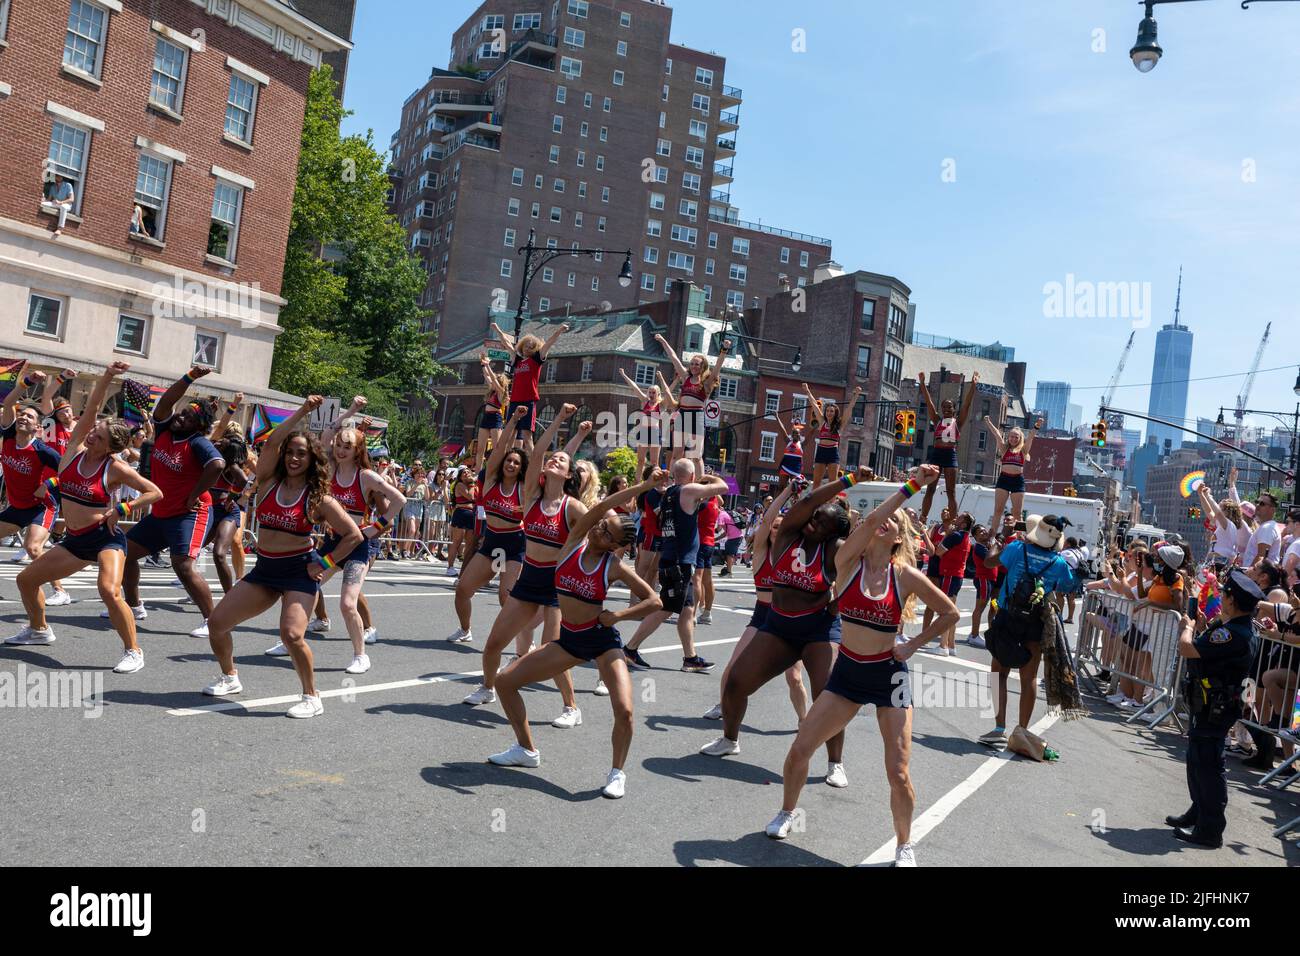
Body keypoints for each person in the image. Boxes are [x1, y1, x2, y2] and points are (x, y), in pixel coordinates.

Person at [765, 465, 958, 862]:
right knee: (801, 748)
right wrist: (913, 486)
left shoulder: (904, 576)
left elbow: (950, 613)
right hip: (849, 672)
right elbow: (870, 517)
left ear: (898, 537)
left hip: (890, 677)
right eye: (878, 521)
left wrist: (914, 645)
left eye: (892, 523)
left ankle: (904, 845)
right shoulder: (847, 563)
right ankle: (786, 812)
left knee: (898, 770)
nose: (881, 523)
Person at [487, 473, 665, 799]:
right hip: (569, 641)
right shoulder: (574, 542)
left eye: (606, 532)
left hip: (601, 640)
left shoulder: (613, 566)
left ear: (614, 545)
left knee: (624, 710)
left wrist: (619, 615)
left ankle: (617, 773)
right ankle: (526, 750)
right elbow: (605, 507)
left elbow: (654, 600)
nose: (598, 528)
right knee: (505, 682)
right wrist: (644, 487)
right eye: (600, 526)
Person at [700, 469, 869, 787]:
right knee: (736, 683)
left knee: (828, 694)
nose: (812, 521)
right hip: (779, 626)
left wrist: (833, 607)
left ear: (832, 534)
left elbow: (853, 583)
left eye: (820, 523)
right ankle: (730, 740)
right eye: (814, 516)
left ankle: (835, 763)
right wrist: (848, 481)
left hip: (818, 631)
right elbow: (807, 500)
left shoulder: (833, 550)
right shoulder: (791, 533)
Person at [201, 397, 363, 717]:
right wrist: (302, 412)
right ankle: (230, 676)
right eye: (290, 452)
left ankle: (311, 697)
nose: (293, 458)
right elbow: (273, 440)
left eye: (301, 453)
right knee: (217, 624)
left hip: (298, 572)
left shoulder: (319, 498)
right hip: (265, 569)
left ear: (311, 459)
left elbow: (354, 535)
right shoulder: (268, 482)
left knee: (291, 635)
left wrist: (326, 563)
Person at [7, 362, 162, 674]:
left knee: (108, 590)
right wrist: (107, 376)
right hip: (76, 541)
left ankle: (133, 650)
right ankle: (39, 630)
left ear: (110, 447)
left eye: (99, 437)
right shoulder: (74, 451)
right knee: (26, 580)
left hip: (105, 538)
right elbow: (91, 409)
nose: (92, 435)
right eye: (93, 432)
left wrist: (120, 510)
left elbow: (154, 492)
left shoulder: (115, 468)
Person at [463, 404, 591, 723]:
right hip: (528, 581)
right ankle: (488, 686)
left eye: (560, 460)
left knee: (553, 650)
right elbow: (537, 455)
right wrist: (561, 419)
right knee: (493, 644)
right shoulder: (531, 495)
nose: (553, 459)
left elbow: (596, 535)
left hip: (556, 587)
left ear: (568, 474)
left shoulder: (573, 507)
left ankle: (571, 707)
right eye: (552, 459)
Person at [267, 419, 405, 674]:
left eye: (347, 447)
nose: (341, 450)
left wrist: (377, 527)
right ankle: (290, 640)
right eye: (339, 445)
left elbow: (399, 499)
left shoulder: (366, 476)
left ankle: (360, 655)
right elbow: (324, 436)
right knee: (303, 586)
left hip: (358, 547)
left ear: (357, 451)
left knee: (347, 603)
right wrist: (350, 412)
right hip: (332, 544)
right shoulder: (329, 470)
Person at [120, 366, 226, 638]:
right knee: (125, 554)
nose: (181, 416)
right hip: (162, 513)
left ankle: (212, 622)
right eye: (183, 411)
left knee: (183, 565)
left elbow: (217, 464)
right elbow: (167, 401)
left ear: (198, 425)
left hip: (190, 514)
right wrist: (189, 377)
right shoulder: (166, 428)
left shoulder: (198, 443)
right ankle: (134, 606)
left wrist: (193, 495)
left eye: (189, 416)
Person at [1165, 568, 1263, 848]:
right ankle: (1199, 812)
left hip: (1215, 706)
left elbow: (1188, 649)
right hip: (1209, 703)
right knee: (1197, 760)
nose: (1221, 597)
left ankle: (1210, 829)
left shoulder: (1234, 633)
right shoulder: (1234, 629)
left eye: (1224, 594)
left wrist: (1187, 629)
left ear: (1232, 600)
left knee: (1207, 765)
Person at [703, 483, 808, 723]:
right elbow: (767, 520)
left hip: (787, 618)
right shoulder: (761, 551)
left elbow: (802, 521)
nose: (775, 531)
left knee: (794, 677)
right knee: (733, 666)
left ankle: (804, 719)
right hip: (762, 616)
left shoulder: (794, 553)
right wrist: (786, 492)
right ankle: (724, 705)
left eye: (782, 528)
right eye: (773, 527)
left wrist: (800, 497)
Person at [978, 514, 1074, 749]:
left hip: (1007, 618)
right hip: (1036, 622)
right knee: (1028, 677)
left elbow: (990, 563)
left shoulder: (1017, 548)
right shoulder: (1059, 563)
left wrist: (993, 547)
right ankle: (1021, 730)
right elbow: (1069, 585)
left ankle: (999, 728)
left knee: (998, 673)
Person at [621, 459, 725, 673]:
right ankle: (629, 649)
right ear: (692, 476)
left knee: (687, 611)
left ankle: (690, 658)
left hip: (675, 558)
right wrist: (708, 478)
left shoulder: (669, 493)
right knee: (666, 608)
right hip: (679, 561)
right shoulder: (688, 490)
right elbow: (724, 487)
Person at [447, 408, 531, 643]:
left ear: (520, 467)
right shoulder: (491, 480)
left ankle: (523, 637)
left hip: (514, 544)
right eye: (509, 460)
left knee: (506, 597)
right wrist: (513, 420)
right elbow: (500, 449)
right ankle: (465, 630)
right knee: (463, 589)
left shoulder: (522, 489)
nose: (511, 464)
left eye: (516, 462)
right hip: (492, 540)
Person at [0, 366, 68, 607]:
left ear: (38, 428)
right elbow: (8, 403)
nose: (23, 417)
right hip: (17, 506)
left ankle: (60, 591)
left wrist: (48, 484)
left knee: (33, 547)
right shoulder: (8, 436)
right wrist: (27, 381)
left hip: (42, 506)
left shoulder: (42, 451)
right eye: (22, 414)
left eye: (30, 416)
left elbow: (68, 473)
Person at [655, 331, 730, 478]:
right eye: (693, 364)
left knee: (695, 455)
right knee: (677, 453)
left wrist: (724, 350)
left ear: (703, 367)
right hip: (682, 415)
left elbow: (718, 367)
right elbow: (674, 358)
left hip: (697, 415)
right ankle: (672, 481)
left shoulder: (706, 382)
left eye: (698, 364)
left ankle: (700, 486)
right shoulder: (685, 377)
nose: (694, 366)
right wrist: (663, 341)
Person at [490, 321, 567, 453]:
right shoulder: (517, 360)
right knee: (509, 435)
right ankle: (504, 461)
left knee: (527, 437)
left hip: (528, 401)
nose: (527, 347)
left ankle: (533, 466)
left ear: (535, 348)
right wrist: (497, 329)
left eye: (531, 346)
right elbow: (507, 344)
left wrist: (559, 331)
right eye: (525, 345)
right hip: (514, 401)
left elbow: (548, 344)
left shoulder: (537, 359)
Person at [916, 370, 977, 523]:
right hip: (937, 455)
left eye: (949, 407)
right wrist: (922, 383)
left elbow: (967, 404)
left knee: (951, 492)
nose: (947, 410)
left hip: (950, 455)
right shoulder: (937, 419)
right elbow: (929, 402)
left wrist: (973, 385)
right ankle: (923, 518)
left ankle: (953, 521)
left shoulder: (958, 422)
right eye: (944, 407)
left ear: (954, 409)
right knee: (930, 489)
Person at [984, 415, 1041, 527]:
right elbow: (997, 435)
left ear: (1020, 439)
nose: (1014, 439)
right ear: (1008, 437)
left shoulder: (1023, 450)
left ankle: (1019, 537)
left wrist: (1037, 426)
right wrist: (988, 422)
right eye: (1012, 436)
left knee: (1017, 513)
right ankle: (992, 535)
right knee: (998, 510)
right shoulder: (1004, 449)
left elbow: (1030, 437)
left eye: (1017, 437)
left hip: (1017, 481)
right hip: (1004, 479)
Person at [930, 511, 973, 655]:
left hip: (949, 574)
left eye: (959, 517)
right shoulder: (966, 537)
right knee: (952, 610)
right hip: (957, 575)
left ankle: (943, 646)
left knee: (946, 611)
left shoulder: (955, 535)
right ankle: (951, 645)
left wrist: (947, 535)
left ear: (964, 523)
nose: (956, 518)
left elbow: (938, 552)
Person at [804, 383, 862, 487]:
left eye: (831, 411)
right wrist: (807, 391)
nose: (829, 413)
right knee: (816, 482)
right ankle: (815, 503)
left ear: (835, 413)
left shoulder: (839, 425)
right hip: (821, 452)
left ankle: (831, 503)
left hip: (833, 453)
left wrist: (856, 395)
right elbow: (814, 404)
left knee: (832, 483)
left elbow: (849, 409)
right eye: (827, 411)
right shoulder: (822, 422)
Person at [618, 367, 668, 477]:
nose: (651, 394)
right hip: (644, 431)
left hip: (654, 432)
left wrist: (661, 378)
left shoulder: (661, 405)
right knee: (640, 460)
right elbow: (634, 387)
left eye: (653, 392)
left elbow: (668, 391)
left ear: (658, 394)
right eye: (649, 392)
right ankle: (637, 481)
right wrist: (624, 375)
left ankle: (656, 481)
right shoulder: (645, 401)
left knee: (654, 462)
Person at [474, 353, 510, 471]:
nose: (493, 383)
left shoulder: (500, 391)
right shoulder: (492, 390)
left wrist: (488, 365)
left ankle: (497, 469)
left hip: (496, 418)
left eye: (497, 381)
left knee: (496, 447)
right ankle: (478, 471)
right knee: (480, 448)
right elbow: (487, 376)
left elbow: (493, 379)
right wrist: (483, 364)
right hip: (486, 417)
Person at [968, 524, 998, 649]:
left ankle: (973, 634)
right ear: (975, 536)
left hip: (990, 580)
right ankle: (974, 635)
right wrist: (995, 544)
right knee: (979, 608)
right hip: (983, 580)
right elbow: (990, 559)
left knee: (988, 607)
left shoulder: (985, 546)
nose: (984, 532)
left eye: (985, 530)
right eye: (980, 532)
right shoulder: (979, 547)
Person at [694, 489, 720, 625]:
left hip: (700, 542)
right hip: (710, 543)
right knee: (708, 581)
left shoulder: (702, 504)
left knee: (697, 579)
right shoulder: (715, 500)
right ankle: (707, 613)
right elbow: (720, 498)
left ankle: (691, 614)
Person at [446, 467, 477, 577]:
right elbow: (471, 496)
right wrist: (473, 483)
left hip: (472, 514)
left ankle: (466, 568)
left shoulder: (473, 485)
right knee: (457, 541)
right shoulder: (460, 485)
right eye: (464, 472)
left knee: (469, 543)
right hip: (461, 514)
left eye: (468, 472)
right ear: (460, 476)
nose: (467, 474)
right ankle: (450, 567)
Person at [43, 173, 76, 238]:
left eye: (57, 176)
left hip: (66, 205)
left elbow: (72, 199)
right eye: (55, 176)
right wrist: (43, 200)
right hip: (56, 203)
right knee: (43, 204)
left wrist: (61, 202)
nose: (56, 177)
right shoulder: (53, 187)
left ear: (61, 177)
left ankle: (60, 228)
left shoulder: (68, 185)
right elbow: (49, 199)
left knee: (63, 207)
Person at [717, 505, 745, 577]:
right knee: (729, 553)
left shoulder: (721, 515)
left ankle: (729, 572)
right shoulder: (726, 514)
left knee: (729, 554)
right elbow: (726, 532)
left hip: (735, 537)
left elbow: (719, 529)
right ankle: (728, 570)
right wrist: (716, 539)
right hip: (737, 536)